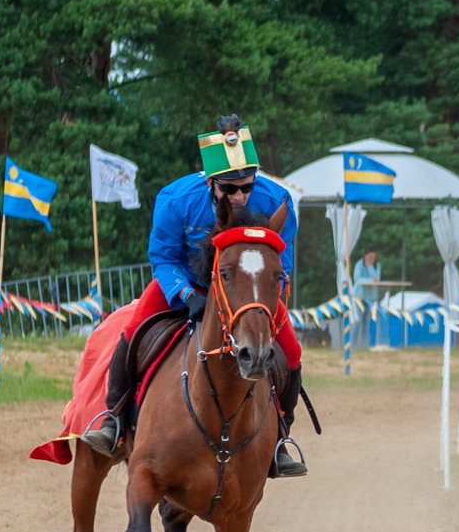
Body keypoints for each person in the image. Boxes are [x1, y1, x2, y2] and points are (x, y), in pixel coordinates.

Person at [82, 116, 307, 477]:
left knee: (292, 351)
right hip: (184, 285)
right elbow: (164, 257)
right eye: (229, 188)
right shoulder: (175, 200)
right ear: (210, 181)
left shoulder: (279, 202)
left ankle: (280, 438)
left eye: (246, 187)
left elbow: (283, 263)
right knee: (132, 331)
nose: (239, 197)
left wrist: (265, 300)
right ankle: (114, 420)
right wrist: (187, 295)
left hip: (248, 290)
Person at [352, 249, 383, 348]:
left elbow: (376, 279)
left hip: (369, 298)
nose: (371, 259)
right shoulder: (359, 265)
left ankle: (364, 346)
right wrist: (370, 280)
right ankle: (352, 345)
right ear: (365, 256)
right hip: (359, 297)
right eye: (370, 257)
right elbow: (357, 279)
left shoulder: (376, 266)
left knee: (366, 322)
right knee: (358, 321)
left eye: (373, 257)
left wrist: (370, 267)